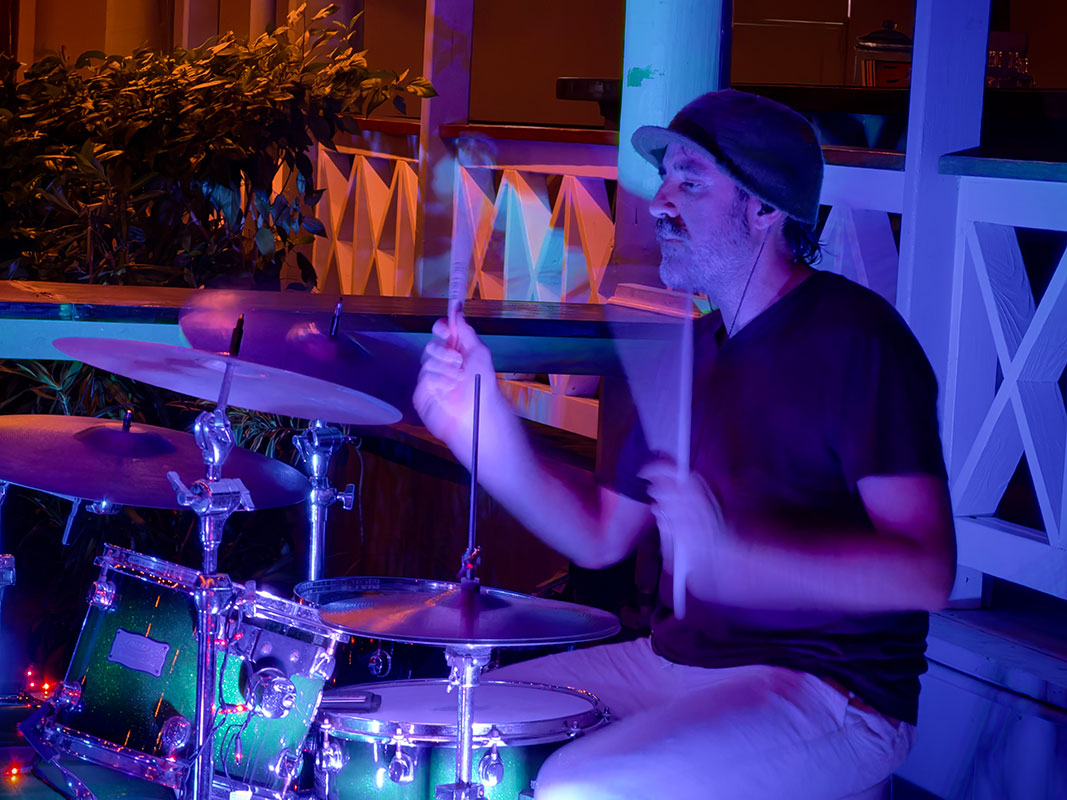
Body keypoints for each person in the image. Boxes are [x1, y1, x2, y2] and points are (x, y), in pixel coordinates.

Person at [413, 89, 956, 800]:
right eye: (664, 177)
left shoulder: (856, 338)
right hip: (672, 663)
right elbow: (601, 536)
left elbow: (925, 574)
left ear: (764, 208)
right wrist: (482, 436)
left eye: (689, 180)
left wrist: (738, 556)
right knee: (442, 721)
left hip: (832, 690)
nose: (659, 200)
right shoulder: (688, 354)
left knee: (584, 786)